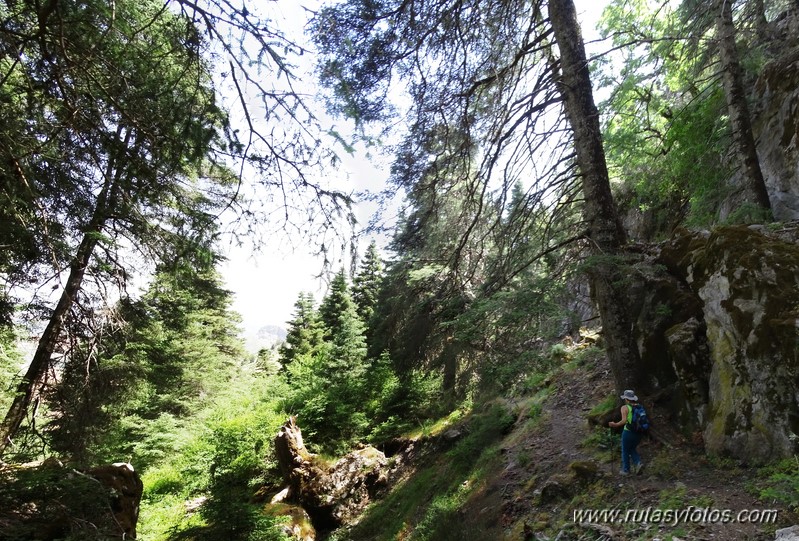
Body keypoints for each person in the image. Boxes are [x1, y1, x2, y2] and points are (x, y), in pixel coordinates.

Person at [608, 389, 643, 475]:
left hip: (628, 432)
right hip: (639, 432)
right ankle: (638, 463)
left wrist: (615, 424)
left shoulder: (624, 407)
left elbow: (624, 421)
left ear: (626, 399)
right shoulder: (639, 407)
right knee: (631, 448)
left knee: (625, 449)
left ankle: (626, 470)